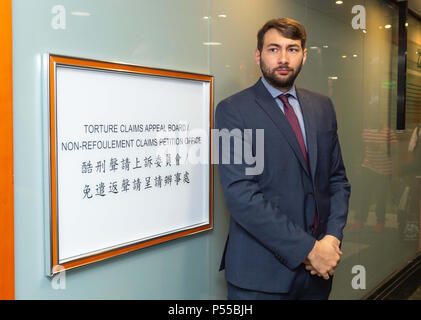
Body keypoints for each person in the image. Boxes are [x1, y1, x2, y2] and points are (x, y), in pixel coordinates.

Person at [215, 18, 351, 300]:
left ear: (304, 56)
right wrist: (310, 250)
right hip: (260, 277)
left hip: (316, 275)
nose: (283, 58)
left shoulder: (323, 106)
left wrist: (332, 239)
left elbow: (337, 180)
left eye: (293, 49)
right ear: (258, 55)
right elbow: (241, 196)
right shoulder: (231, 111)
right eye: (274, 49)